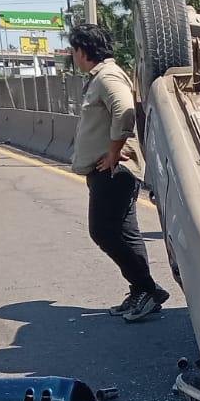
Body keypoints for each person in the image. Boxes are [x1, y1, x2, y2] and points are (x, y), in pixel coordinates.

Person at [67, 23, 167, 321]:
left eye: (73, 50)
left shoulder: (108, 76)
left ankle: (147, 289)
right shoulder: (100, 77)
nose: (72, 56)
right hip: (109, 170)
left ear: (83, 51)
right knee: (125, 232)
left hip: (113, 170)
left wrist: (113, 152)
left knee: (103, 231)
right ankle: (141, 291)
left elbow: (123, 110)